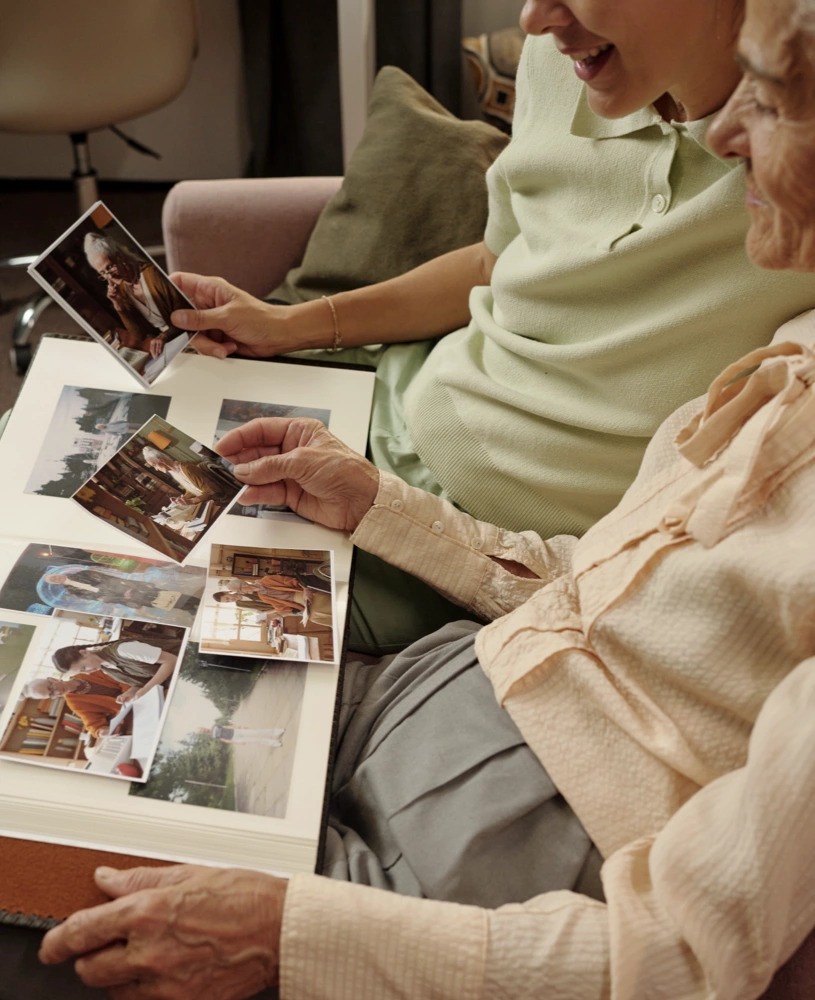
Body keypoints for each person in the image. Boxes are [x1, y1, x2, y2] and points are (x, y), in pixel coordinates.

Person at [38, 0, 815, 996]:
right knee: (67, 673)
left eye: (773, 101)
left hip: (514, 830)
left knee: (51, 932)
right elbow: (608, 579)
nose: (717, 133)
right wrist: (378, 504)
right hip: (460, 676)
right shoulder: (791, 354)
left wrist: (289, 936)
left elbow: (685, 957)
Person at [166, 0, 815, 657]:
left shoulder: (795, 171)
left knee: (153, 615)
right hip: (396, 404)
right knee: (121, 475)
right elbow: (496, 262)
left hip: (486, 546)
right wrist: (287, 326)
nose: (533, 20)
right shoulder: (567, 63)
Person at [83, 232, 188, 359]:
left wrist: (164, 336)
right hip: (170, 344)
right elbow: (140, 334)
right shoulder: (123, 289)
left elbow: (185, 312)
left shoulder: (152, 274)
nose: (109, 276)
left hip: (187, 334)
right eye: (103, 273)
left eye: (110, 267)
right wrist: (118, 304)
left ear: (120, 257)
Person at [52, 638, 178, 706]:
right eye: (82, 673)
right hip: (177, 679)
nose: (88, 673)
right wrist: (130, 692)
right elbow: (144, 679)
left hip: (188, 662)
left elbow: (171, 661)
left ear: (84, 652)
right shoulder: (105, 668)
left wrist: (147, 689)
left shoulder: (123, 650)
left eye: (84, 668)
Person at [42, 568, 200, 616]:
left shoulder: (81, 574)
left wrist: (125, 589)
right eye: (53, 580)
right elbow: (95, 597)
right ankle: (188, 608)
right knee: (155, 602)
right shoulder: (71, 590)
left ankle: (193, 601)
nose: (57, 579)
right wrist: (118, 597)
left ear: (59, 574)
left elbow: (105, 578)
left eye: (55, 577)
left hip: (125, 586)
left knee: (161, 593)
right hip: (118, 597)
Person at [22, 672, 129, 739]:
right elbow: (93, 724)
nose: (57, 692)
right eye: (52, 694)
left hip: (139, 687)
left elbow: (121, 677)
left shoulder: (86, 671)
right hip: (131, 710)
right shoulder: (73, 702)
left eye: (51, 687)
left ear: (53, 679)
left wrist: (128, 696)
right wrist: (101, 732)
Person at [141, 446, 238, 507]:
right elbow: (192, 488)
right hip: (215, 501)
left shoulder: (187, 469)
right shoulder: (174, 473)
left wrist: (192, 501)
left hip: (227, 500)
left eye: (155, 465)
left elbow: (214, 490)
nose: (156, 469)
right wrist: (184, 498)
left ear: (161, 460)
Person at [200, 723, 286, 748]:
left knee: (257, 732)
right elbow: (225, 740)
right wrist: (237, 743)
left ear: (204, 727)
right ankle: (275, 743)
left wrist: (240, 727)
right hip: (235, 738)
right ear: (203, 733)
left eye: (204, 729)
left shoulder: (215, 726)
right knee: (256, 741)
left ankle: (277, 732)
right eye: (203, 731)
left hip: (237, 731)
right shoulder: (213, 736)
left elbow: (226, 726)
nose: (205, 730)